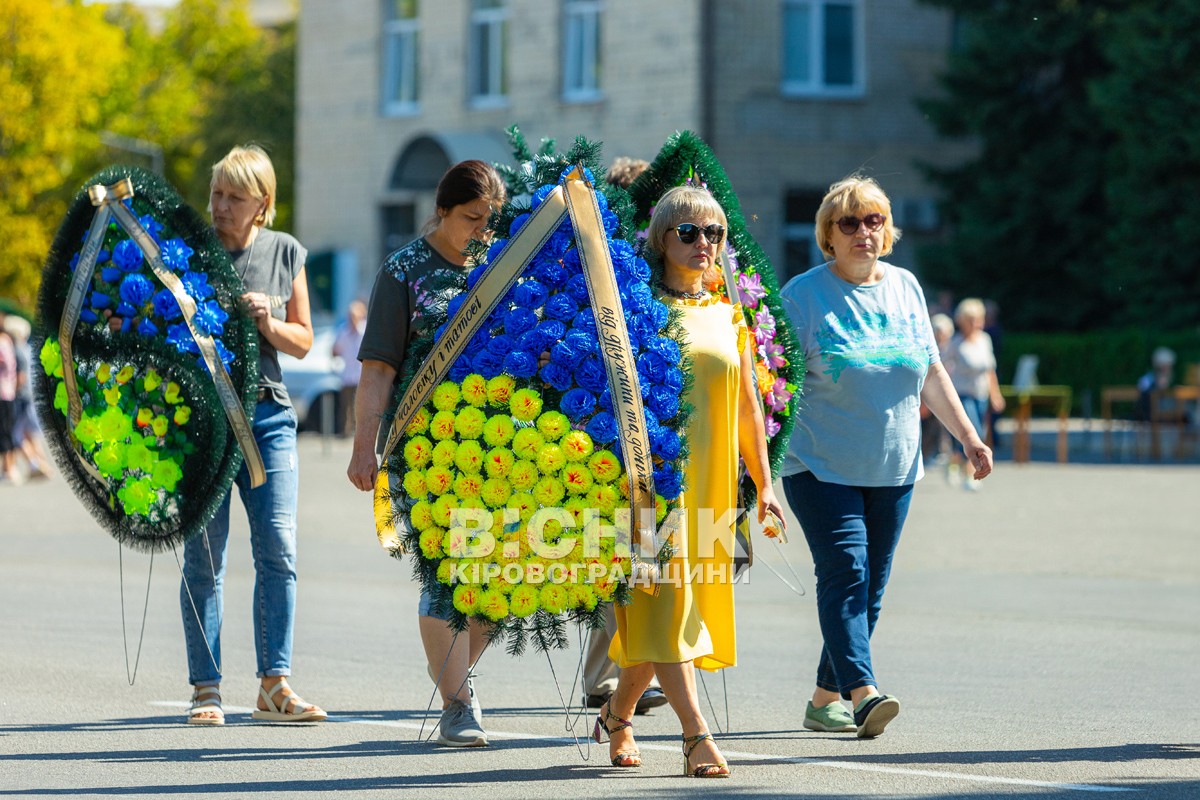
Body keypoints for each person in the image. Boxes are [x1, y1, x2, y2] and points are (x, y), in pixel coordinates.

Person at [779, 175, 992, 739]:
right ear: (828, 234)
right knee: (846, 572)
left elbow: (932, 372)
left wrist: (970, 438)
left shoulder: (905, 287)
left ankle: (825, 699)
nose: (862, 232)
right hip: (819, 465)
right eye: (848, 223)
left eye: (873, 220)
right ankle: (865, 694)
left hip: (895, 466)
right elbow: (769, 385)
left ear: (886, 229)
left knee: (869, 589)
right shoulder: (801, 296)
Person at [600, 186, 786, 778]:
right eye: (689, 232)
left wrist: (766, 486)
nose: (704, 243)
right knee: (669, 604)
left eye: (714, 234)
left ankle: (618, 713)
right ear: (662, 239)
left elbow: (748, 409)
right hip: (649, 488)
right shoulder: (637, 309)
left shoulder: (728, 314)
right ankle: (696, 737)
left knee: (677, 611)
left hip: (713, 486)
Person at [346, 159, 506, 748]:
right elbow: (378, 369)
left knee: (499, 577)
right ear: (441, 211)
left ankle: (452, 671)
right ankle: (459, 704)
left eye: (491, 220)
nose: (483, 231)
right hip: (424, 447)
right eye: (471, 219)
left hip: (498, 447)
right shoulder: (405, 272)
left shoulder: (502, 266)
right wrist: (367, 447)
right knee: (446, 570)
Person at [180, 144, 326, 726]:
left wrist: (269, 319)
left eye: (233, 197)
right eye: (216, 193)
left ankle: (274, 686)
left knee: (279, 552)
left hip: (268, 420)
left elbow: (305, 340)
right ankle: (205, 691)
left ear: (261, 205)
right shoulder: (185, 252)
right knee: (204, 559)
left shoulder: (286, 252)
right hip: (204, 426)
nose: (219, 205)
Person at [580, 155, 667, 716]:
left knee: (646, 554)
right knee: (618, 555)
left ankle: (635, 666)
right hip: (603, 430)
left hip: (656, 430)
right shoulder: (598, 262)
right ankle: (605, 676)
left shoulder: (666, 269)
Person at [941, 298, 1005, 491]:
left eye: (980, 319)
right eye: (974, 320)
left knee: (978, 432)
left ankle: (954, 461)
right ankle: (970, 474)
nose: (978, 324)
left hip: (980, 394)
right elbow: (941, 369)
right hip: (962, 394)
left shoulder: (984, 340)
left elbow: (990, 369)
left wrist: (995, 394)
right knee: (973, 432)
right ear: (964, 321)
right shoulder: (956, 343)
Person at [4, 314, 53, 480]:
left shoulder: (16, 349)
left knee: (17, 433)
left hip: (20, 396)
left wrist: (15, 389)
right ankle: (42, 465)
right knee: (31, 433)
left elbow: (21, 375)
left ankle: (35, 464)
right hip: (30, 396)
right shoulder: (28, 348)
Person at [920, 313, 954, 467]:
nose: (940, 336)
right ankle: (928, 453)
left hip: (951, 392)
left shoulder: (953, 348)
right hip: (930, 393)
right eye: (938, 333)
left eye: (943, 333)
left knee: (943, 424)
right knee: (929, 426)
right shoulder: (927, 348)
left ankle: (944, 451)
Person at [332, 299, 367, 437]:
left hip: (361, 376)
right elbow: (335, 350)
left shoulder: (365, 331)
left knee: (361, 408)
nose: (351, 320)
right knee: (345, 407)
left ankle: (359, 433)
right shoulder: (343, 331)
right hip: (347, 375)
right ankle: (345, 432)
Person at [1136, 346, 1177, 422]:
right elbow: (1144, 398)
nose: (1169, 368)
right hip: (1150, 414)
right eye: (1167, 366)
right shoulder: (1148, 379)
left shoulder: (1163, 379)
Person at [0, 311, 18, 485]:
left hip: (4, 392)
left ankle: (10, 467)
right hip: (6, 392)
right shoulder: (6, 340)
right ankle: (6, 467)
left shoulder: (3, 340)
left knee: (5, 431)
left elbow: (6, 362)